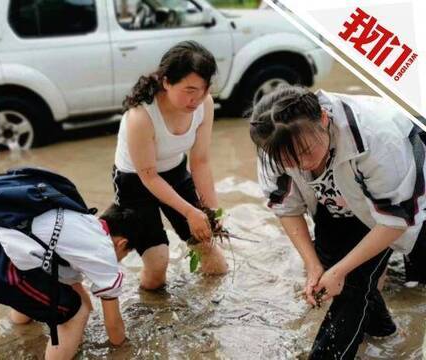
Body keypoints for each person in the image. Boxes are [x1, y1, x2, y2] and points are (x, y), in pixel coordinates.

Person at [249, 85, 426, 359]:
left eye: (307, 151)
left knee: (356, 281)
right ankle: (385, 334)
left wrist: (341, 270)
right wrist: (312, 265)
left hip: (405, 195)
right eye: (289, 160)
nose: (303, 165)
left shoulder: (377, 138)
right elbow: (287, 207)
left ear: (323, 117)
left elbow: (394, 220)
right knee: (336, 274)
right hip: (340, 201)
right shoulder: (272, 142)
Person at [0, 204, 141, 359]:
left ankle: (20, 328)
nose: (121, 259)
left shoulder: (82, 221)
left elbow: (72, 286)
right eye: (125, 255)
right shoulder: (104, 251)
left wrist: (86, 321)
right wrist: (126, 350)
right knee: (76, 313)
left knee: (42, 286)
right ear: (122, 243)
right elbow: (114, 329)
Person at [112, 40, 228, 290]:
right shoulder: (140, 117)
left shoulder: (204, 105)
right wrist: (190, 212)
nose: (196, 98)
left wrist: (211, 211)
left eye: (204, 89)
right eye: (189, 89)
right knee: (157, 269)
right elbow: (149, 177)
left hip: (175, 172)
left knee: (214, 259)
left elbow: (200, 161)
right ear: (166, 81)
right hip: (136, 182)